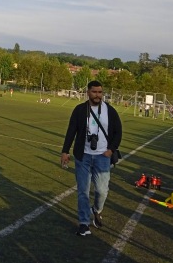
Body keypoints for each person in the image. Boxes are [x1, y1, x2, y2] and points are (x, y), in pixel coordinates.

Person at [61, 80, 122, 236]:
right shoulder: (80, 110)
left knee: (102, 191)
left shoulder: (110, 111)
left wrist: (111, 150)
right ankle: (83, 223)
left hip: (102, 156)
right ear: (88, 92)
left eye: (100, 92)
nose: (97, 95)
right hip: (83, 156)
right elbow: (71, 131)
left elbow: (118, 132)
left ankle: (96, 209)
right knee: (83, 191)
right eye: (94, 92)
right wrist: (65, 151)